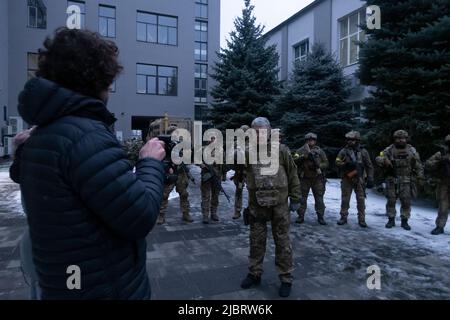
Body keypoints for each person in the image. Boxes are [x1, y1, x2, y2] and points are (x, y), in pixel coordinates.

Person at [16, 27, 166, 299]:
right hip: (104, 288)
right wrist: (150, 162)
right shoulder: (86, 136)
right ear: (94, 77)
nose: (109, 87)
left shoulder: (43, 133)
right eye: (108, 79)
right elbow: (139, 215)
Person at [240, 117, 301, 298]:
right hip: (257, 205)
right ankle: (254, 273)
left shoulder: (281, 150)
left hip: (279, 206)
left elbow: (293, 173)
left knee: (282, 241)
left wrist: (296, 197)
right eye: (255, 131)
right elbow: (236, 168)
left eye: (262, 131)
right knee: (256, 241)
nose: (259, 134)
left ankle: (286, 277)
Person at [375, 130, 424, 230]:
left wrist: (420, 178)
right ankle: (391, 219)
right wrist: (384, 160)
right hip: (392, 179)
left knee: (406, 201)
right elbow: (378, 158)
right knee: (391, 200)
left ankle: (404, 221)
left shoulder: (412, 150)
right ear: (394, 139)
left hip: (406, 179)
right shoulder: (389, 149)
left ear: (406, 139)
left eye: (402, 138)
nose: (400, 140)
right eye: (398, 138)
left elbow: (418, 165)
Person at [335, 131, 374, 228]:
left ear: (357, 140)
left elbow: (369, 166)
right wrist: (345, 164)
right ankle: (343, 217)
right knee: (345, 199)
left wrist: (370, 178)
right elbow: (337, 162)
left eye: (352, 140)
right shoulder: (343, 151)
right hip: (347, 178)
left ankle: (362, 219)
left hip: (359, 179)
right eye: (348, 140)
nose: (350, 142)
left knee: (361, 200)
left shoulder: (363, 152)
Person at [157, 126, 193, 225]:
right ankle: (161, 216)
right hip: (170, 172)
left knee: (184, 194)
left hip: (181, 172)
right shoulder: (164, 144)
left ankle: (186, 214)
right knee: (164, 195)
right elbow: (161, 158)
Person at [292, 133, 329, 225]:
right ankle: (300, 216)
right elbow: (294, 161)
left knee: (319, 198)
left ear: (315, 141)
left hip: (317, 178)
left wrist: (318, 166)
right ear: (306, 140)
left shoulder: (320, 151)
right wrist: (303, 157)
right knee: (302, 198)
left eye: (312, 140)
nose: (310, 141)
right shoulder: (300, 150)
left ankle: (320, 217)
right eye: (309, 140)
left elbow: (326, 163)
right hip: (304, 178)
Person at [425, 135, 450, 235]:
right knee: (443, 207)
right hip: (444, 184)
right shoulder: (441, 154)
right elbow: (428, 164)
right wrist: (439, 161)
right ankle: (440, 226)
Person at [199, 136, 226, 224]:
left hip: (217, 176)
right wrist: (203, 165)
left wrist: (224, 175)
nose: (212, 140)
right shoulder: (203, 149)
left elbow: (224, 163)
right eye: (211, 138)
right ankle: (205, 215)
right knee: (206, 196)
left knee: (215, 196)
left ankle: (214, 213)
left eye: (214, 138)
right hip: (206, 176)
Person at [231, 125, 250, 220]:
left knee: (253, 191)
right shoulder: (236, 143)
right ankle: (237, 211)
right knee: (238, 191)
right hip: (240, 172)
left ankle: (253, 210)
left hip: (250, 172)